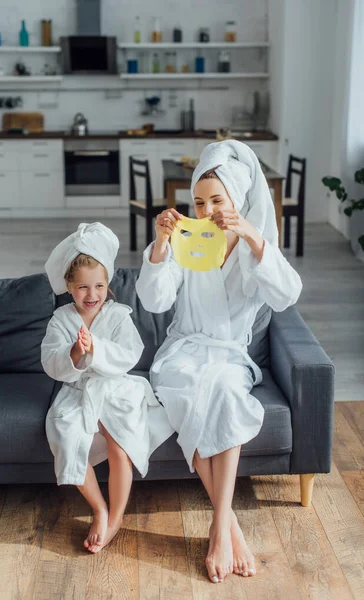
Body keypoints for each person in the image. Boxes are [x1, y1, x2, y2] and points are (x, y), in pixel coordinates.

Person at [136, 140, 302, 583]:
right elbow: (154, 300)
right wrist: (160, 243)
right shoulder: (188, 243)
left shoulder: (253, 248)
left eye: (217, 201)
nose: (207, 209)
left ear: (238, 202)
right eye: (199, 201)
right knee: (190, 389)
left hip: (229, 356)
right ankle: (227, 525)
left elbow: (287, 295)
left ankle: (219, 523)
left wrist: (251, 233)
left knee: (226, 390)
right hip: (183, 352)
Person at [41, 222, 172, 554]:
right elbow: (50, 362)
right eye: (83, 287)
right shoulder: (60, 320)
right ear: (69, 287)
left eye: (99, 285)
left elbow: (130, 354)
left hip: (115, 387)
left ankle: (114, 518)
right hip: (78, 391)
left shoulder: (117, 315)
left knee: (120, 441)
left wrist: (96, 349)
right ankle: (99, 508)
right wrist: (74, 353)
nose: (92, 295)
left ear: (108, 284)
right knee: (66, 437)